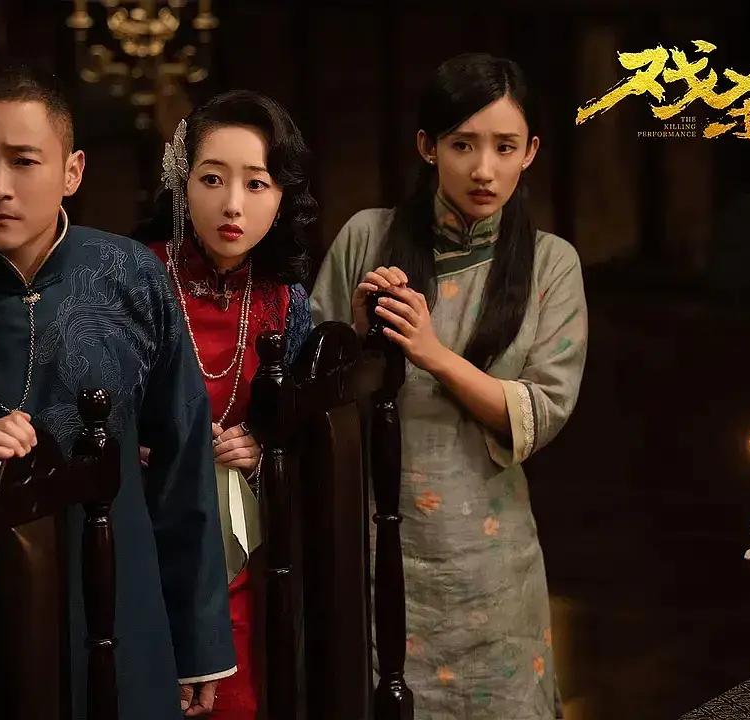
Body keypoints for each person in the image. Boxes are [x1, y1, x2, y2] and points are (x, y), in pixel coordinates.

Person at [0, 62, 234, 719]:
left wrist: (199, 642)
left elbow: (183, 462)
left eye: (24, 161)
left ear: (72, 171)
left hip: (127, 611)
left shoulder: (131, 276)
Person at [310, 53, 588, 719]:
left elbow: (539, 412)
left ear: (531, 153)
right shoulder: (367, 237)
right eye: (463, 145)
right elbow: (308, 388)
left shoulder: (551, 264)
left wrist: (433, 354)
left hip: (489, 561)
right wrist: (356, 333)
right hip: (376, 547)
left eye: (505, 147)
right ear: (427, 147)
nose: (484, 169)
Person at [134, 89, 316, 719]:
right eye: (212, 179)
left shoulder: (285, 299)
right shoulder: (135, 277)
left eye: (257, 183)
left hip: (238, 542)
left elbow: (301, 424)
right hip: (139, 532)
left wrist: (263, 447)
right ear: (181, 184)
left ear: (282, 196)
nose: (232, 204)